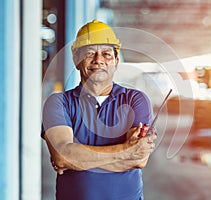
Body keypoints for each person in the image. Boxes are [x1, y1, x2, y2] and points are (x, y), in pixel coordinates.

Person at [42, 19, 157, 200]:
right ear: (76, 59)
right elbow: (63, 157)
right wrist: (127, 150)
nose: (98, 60)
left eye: (106, 54)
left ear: (116, 61)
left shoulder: (135, 100)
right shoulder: (59, 102)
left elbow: (139, 159)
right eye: (89, 53)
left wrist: (77, 158)